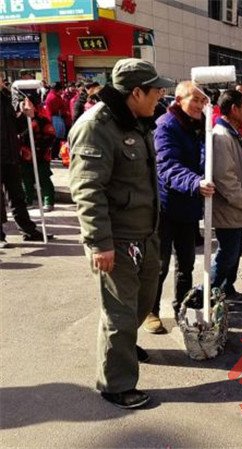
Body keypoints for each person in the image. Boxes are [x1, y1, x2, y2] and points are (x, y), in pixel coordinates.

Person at [68, 58, 175, 409]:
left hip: (146, 232)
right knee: (120, 312)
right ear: (137, 92)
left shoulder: (139, 121)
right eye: (156, 90)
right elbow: (88, 190)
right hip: (117, 239)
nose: (161, 96)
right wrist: (100, 243)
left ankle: (124, 347)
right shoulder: (96, 127)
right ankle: (116, 383)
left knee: (144, 300)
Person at [150, 81, 215, 332]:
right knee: (159, 265)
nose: (199, 105)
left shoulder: (201, 126)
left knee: (186, 264)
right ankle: (151, 310)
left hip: (189, 207)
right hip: (166, 207)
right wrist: (195, 182)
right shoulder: (165, 126)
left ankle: (182, 308)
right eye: (194, 99)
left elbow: (204, 158)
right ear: (178, 100)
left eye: (202, 100)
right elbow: (167, 166)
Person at [211, 90, 242, 300]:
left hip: (236, 207)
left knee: (234, 253)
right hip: (229, 207)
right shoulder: (221, 136)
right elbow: (224, 177)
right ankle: (207, 294)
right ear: (234, 109)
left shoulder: (231, 133)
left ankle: (226, 289)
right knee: (227, 254)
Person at [0, 76, 48, 248]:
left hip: (11, 155)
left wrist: (26, 115)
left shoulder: (6, 98)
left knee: (17, 195)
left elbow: (17, 127)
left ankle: (28, 230)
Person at [19, 95, 56, 212]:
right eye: (23, 103)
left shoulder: (42, 120)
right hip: (25, 155)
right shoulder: (18, 120)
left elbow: (51, 136)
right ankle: (27, 201)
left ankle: (48, 201)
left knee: (43, 178)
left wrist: (39, 147)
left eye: (28, 103)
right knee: (26, 179)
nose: (25, 106)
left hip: (41, 155)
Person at [45, 82, 68, 158]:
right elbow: (60, 108)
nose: (62, 91)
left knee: (57, 138)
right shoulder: (53, 97)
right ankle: (54, 154)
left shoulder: (53, 95)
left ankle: (55, 154)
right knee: (57, 138)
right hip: (54, 118)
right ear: (58, 89)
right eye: (61, 89)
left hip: (54, 118)